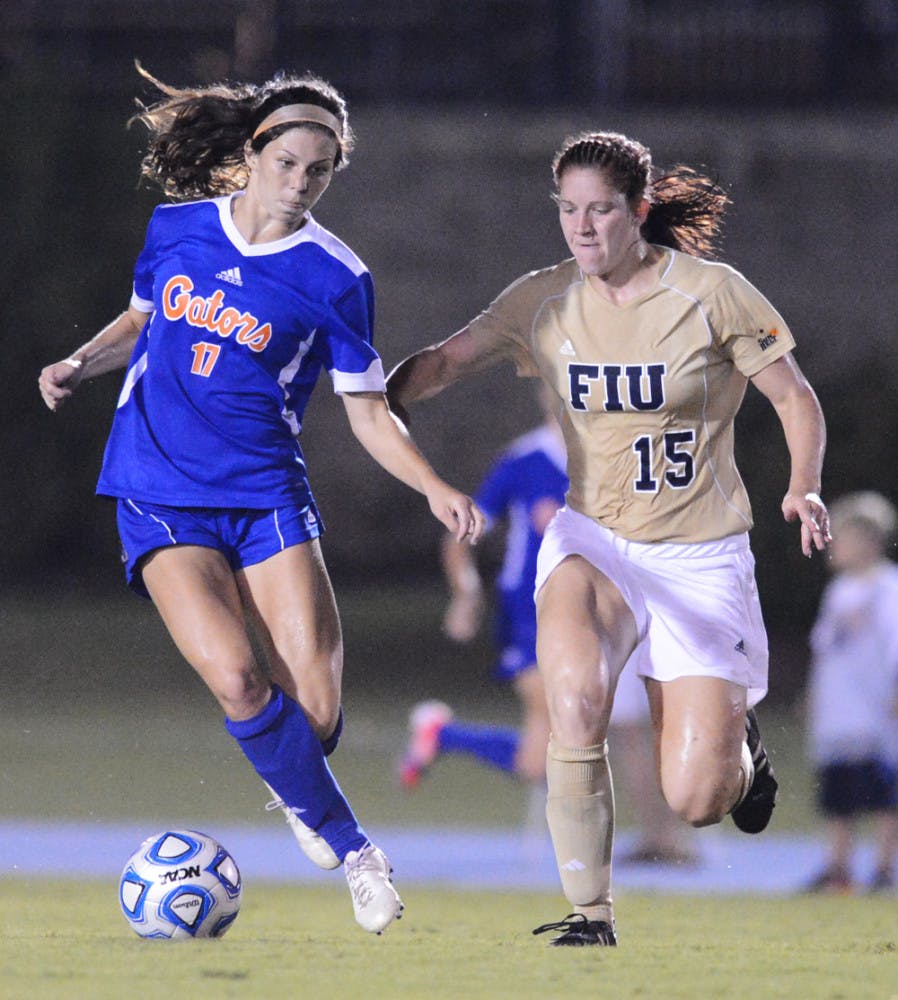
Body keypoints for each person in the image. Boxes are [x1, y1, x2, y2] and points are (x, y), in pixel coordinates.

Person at [37, 65, 484, 935]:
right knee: (239, 677)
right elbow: (140, 320)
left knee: (314, 718)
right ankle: (358, 852)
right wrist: (76, 363)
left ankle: (296, 787)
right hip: (157, 486)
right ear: (250, 154)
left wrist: (432, 485)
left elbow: (366, 409)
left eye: (319, 170)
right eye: (286, 162)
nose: (300, 182)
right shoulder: (175, 229)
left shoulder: (335, 276)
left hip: (265, 491)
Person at [386, 129, 830, 946]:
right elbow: (444, 364)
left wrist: (801, 485)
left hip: (700, 558)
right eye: (568, 211)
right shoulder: (543, 299)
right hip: (595, 543)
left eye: (600, 211)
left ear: (640, 210)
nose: (582, 228)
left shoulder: (713, 292)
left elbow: (795, 397)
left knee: (697, 799)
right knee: (576, 705)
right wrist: (373, 396)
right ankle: (592, 914)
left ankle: (742, 756)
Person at [400, 383, 697, 866]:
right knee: (578, 730)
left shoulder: (621, 458)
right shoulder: (523, 462)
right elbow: (460, 533)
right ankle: (591, 858)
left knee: (561, 753)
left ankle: (658, 841)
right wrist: (467, 592)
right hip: (531, 616)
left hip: (607, 615)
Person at [803, 491, 898, 894]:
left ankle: (881, 868)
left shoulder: (888, 586)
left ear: (867, 540)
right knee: (839, 793)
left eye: (841, 535)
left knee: (881, 794)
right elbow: (825, 650)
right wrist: (812, 695)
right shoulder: (839, 590)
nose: (833, 543)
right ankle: (838, 867)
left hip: (874, 712)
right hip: (839, 713)